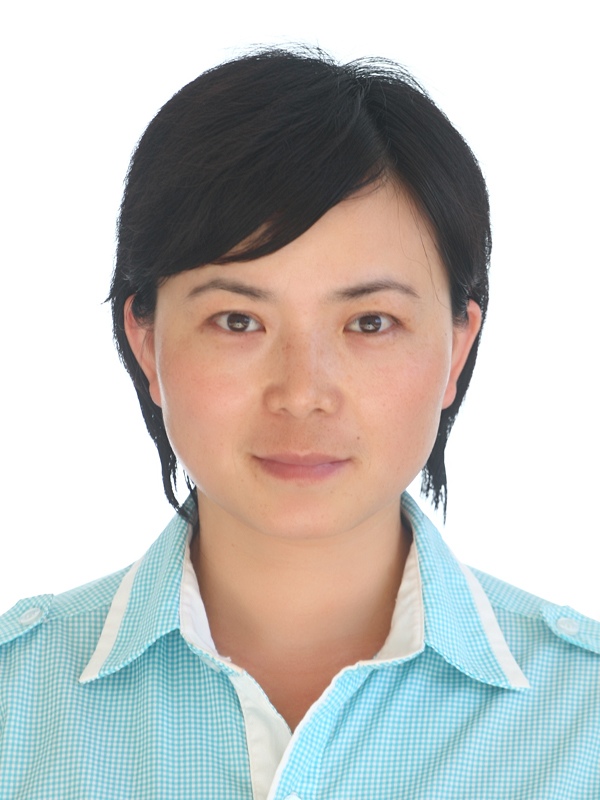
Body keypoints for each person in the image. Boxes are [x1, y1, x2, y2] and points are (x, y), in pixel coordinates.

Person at [1, 47, 598, 800]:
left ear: (458, 349)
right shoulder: (16, 703)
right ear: (147, 343)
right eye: (238, 320)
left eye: (370, 322)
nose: (302, 393)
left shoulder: (583, 720)